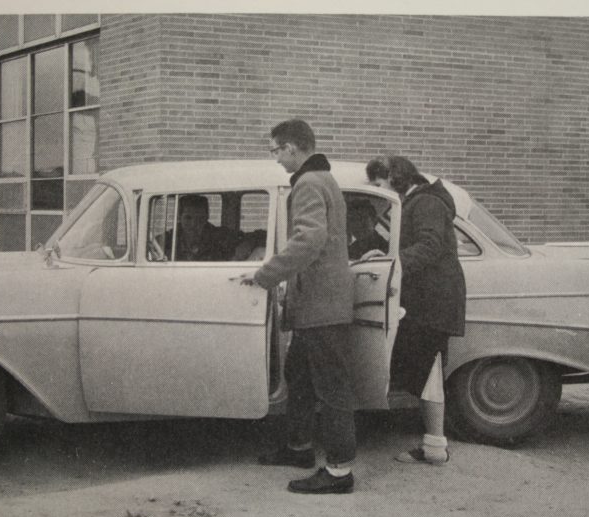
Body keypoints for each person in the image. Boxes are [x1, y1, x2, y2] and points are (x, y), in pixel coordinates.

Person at [240, 119, 357, 494]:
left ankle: (340, 473)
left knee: (332, 389)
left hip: (321, 304)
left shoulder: (308, 183)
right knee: (300, 377)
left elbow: (309, 239)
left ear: (292, 147)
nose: (276, 159)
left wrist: (265, 275)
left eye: (276, 150)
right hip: (320, 302)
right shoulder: (324, 179)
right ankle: (299, 448)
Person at [365, 155, 466, 466]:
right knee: (426, 372)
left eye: (380, 184)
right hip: (428, 299)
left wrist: (391, 264)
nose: (381, 191)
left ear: (395, 178)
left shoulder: (425, 204)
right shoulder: (419, 201)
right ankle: (434, 445)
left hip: (432, 301)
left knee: (429, 372)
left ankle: (436, 447)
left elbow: (430, 245)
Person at [161, 195, 239, 261]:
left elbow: (248, 239)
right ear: (179, 218)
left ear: (207, 217)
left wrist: (236, 258)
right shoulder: (168, 239)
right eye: (188, 218)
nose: (193, 224)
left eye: (200, 218)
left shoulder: (219, 236)